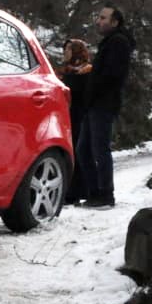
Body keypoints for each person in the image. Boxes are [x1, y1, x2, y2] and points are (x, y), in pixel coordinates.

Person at [76, 5, 135, 208]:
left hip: (103, 103)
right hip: (94, 103)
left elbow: (113, 75)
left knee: (99, 149)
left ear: (115, 22)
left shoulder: (118, 42)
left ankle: (105, 194)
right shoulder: (110, 42)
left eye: (103, 18)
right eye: (99, 17)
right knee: (84, 150)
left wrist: (94, 81)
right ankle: (94, 193)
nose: (98, 21)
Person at [57, 38, 92, 203]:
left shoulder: (86, 71)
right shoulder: (64, 71)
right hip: (64, 116)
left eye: (69, 49)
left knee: (78, 151)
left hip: (79, 116)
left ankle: (77, 191)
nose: (65, 53)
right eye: (65, 49)